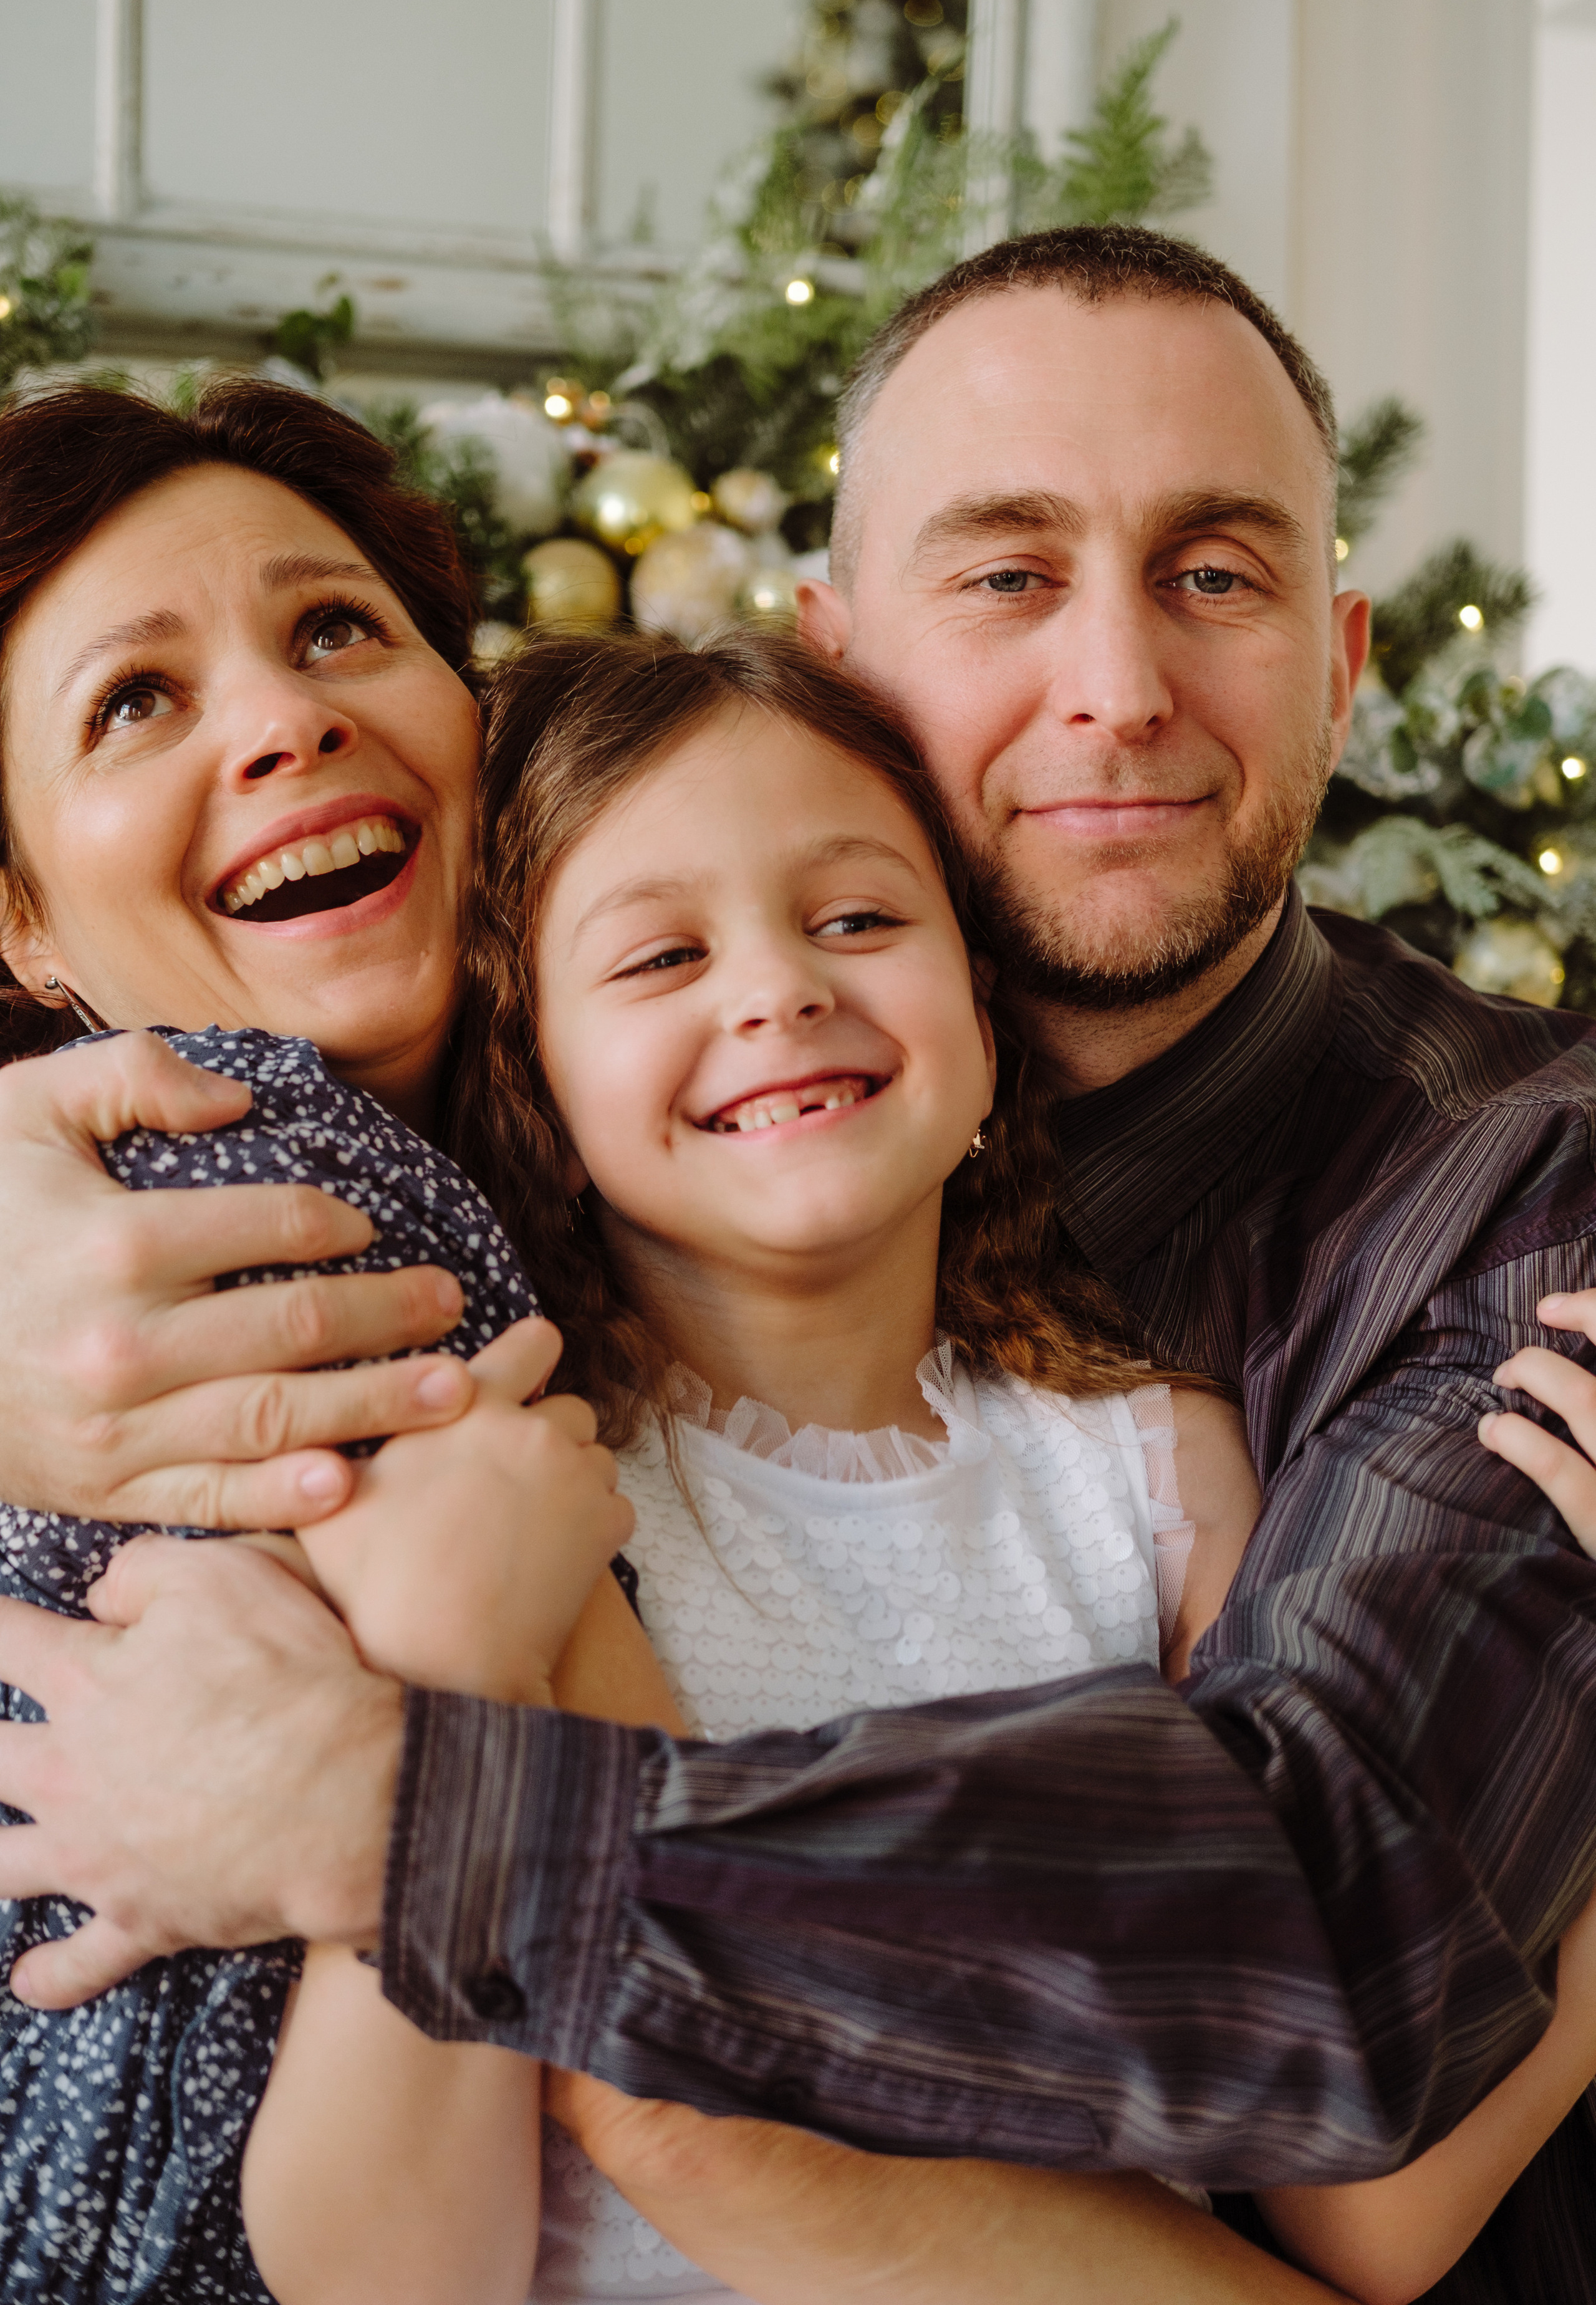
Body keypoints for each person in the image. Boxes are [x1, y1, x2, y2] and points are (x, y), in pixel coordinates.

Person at [0, 226, 1594, 2296]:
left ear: (1343, 659)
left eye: (1217, 575)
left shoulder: (1507, 1204)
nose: (1117, 688)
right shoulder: (403, 1321)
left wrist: (409, 1816)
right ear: (841, 652)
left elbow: (1343, 1964)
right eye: (1005, 575)